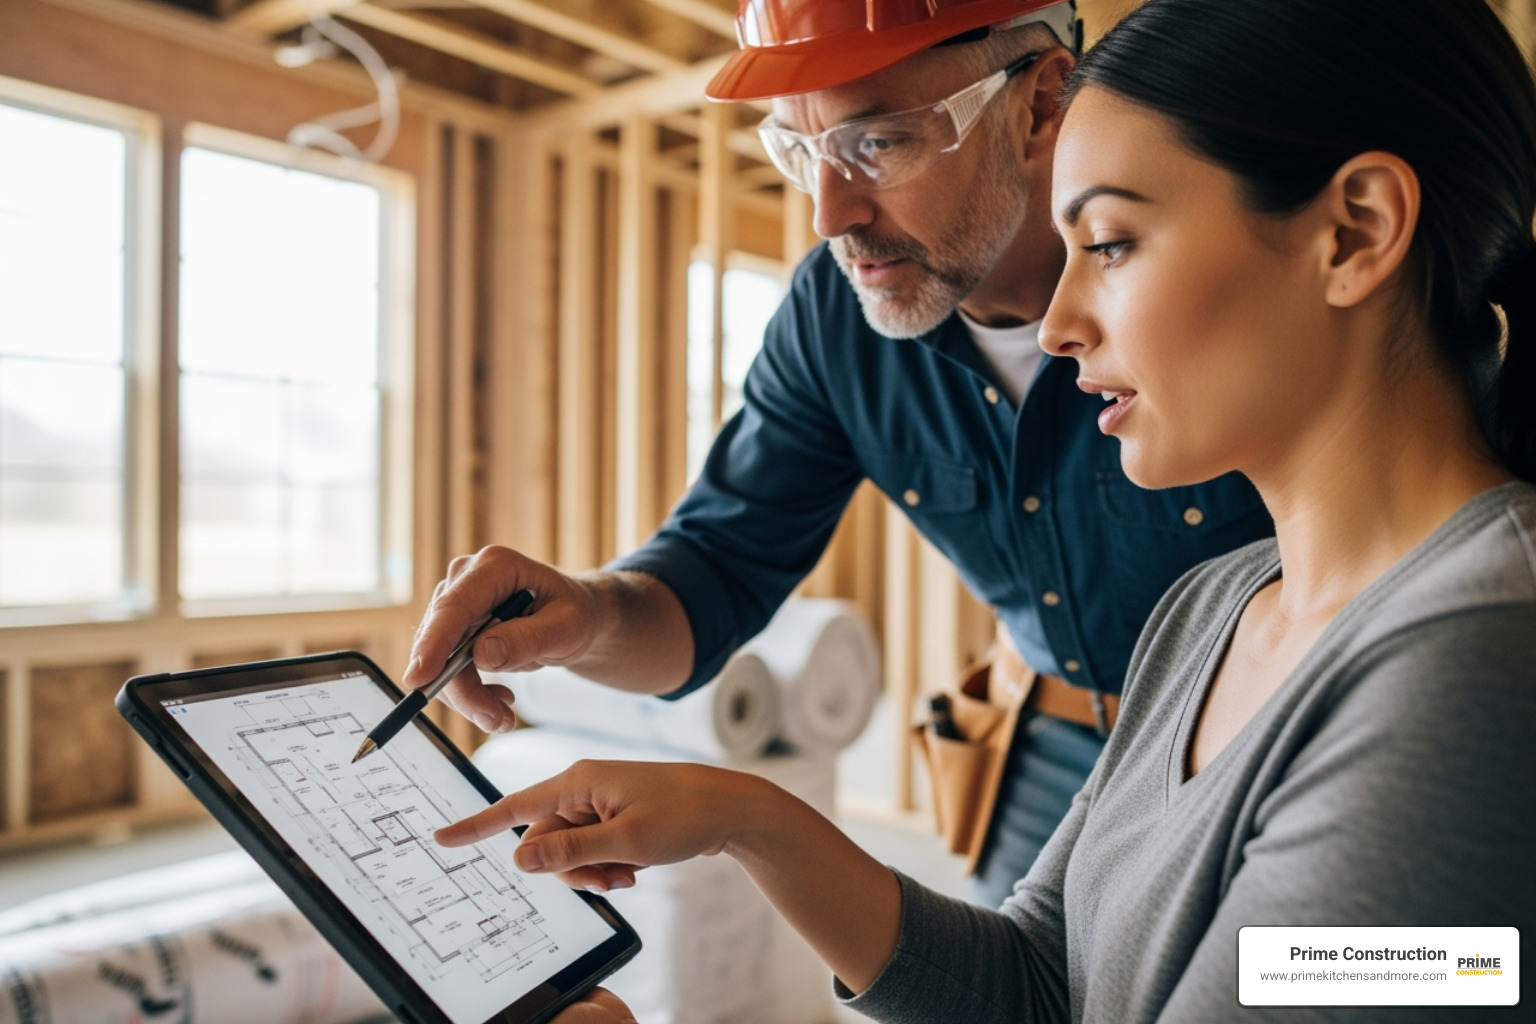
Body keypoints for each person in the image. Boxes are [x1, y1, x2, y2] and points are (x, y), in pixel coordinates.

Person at [434, 0, 1536, 1020]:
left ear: (1353, 233)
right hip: (1121, 732)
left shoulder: (1470, 675)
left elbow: (1429, 958)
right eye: (799, 150)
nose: (1058, 324)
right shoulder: (1215, 608)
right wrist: (742, 813)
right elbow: (1042, 985)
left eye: (1106, 242)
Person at [405, 0, 1273, 908]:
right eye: (798, 151)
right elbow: (712, 573)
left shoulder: (1214, 263)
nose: (828, 214)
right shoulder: (834, 319)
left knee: (1358, 981)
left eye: (878, 144)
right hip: (1049, 735)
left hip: (1278, 731)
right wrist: (587, 616)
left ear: (1043, 103)